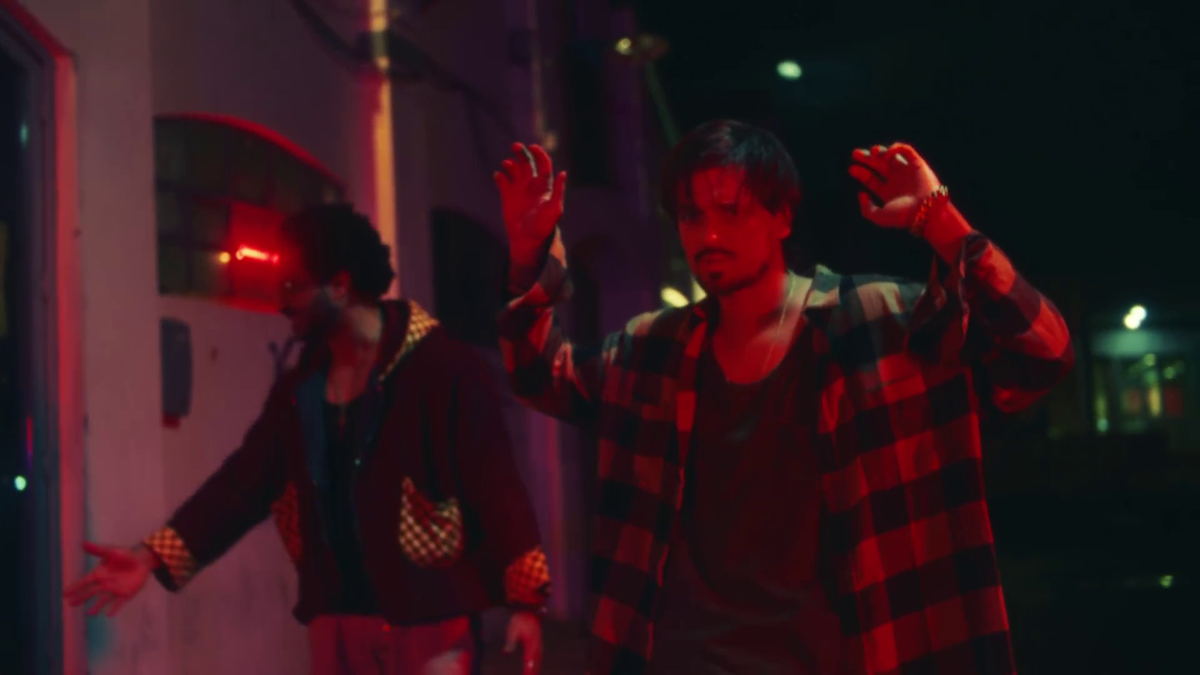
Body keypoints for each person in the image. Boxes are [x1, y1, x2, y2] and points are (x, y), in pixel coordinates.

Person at [492, 121, 1074, 674]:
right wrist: (527, 254)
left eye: (732, 211)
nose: (709, 235)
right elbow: (544, 375)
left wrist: (939, 220)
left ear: (782, 217)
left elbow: (1043, 355)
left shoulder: (873, 323)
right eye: (692, 215)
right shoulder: (656, 348)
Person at [65, 204, 550, 675]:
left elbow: (495, 483)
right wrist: (149, 557)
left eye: (294, 286)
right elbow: (241, 486)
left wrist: (527, 603)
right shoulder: (302, 391)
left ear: (339, 285)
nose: (282, 302)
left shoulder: (442, 368)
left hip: (430, 626)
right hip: (337, 631)